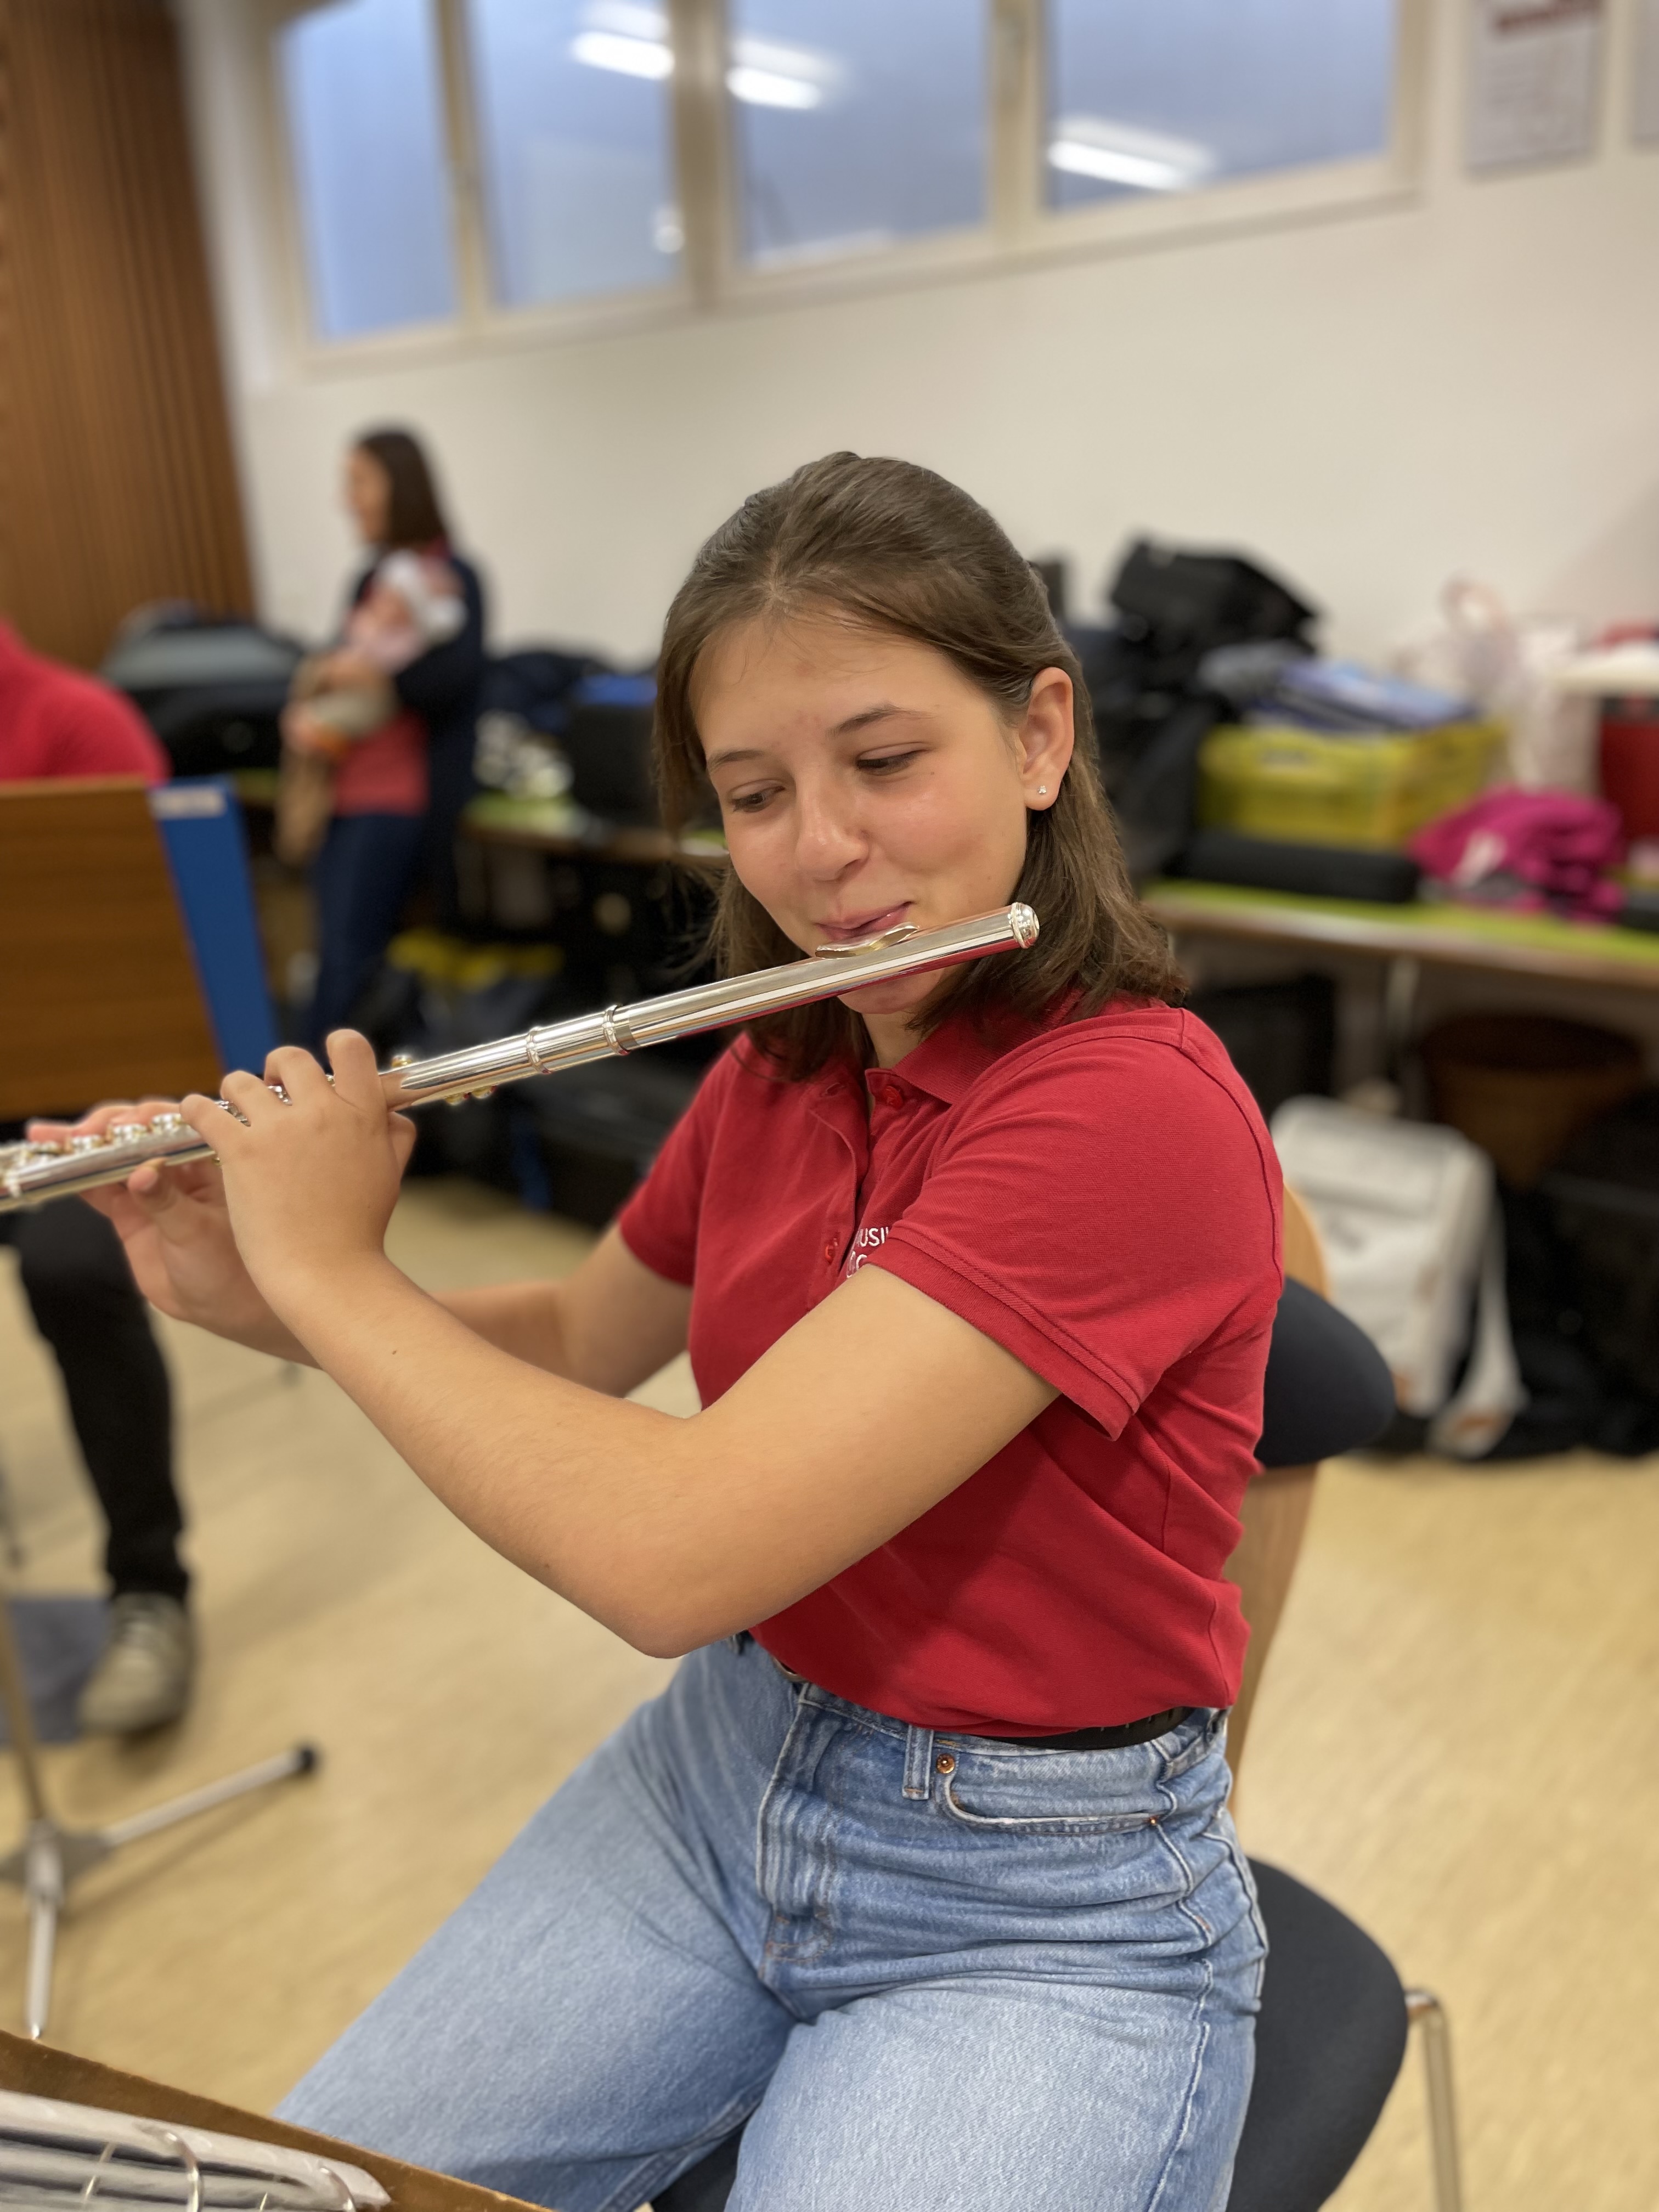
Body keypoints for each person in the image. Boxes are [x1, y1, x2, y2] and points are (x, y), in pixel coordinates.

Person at [66, 456, 1282, 2210]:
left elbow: (678, 1553)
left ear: (1038, 736)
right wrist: (251, 1278)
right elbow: (574, 1336)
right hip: (722, 1773)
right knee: (291, 2195)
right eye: (754, 794)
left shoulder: (1128, 1108)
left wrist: (340, 1275)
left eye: (885, 762)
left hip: (1038, 1903)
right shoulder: (785, 1061)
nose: (823, 852)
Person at [0, 619, 194, 1732]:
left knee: (73, 1269)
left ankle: (149, 1589)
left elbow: (154, 947)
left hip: (87, 1090)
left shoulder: (77, 723)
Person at [291, 428, 486, 1047]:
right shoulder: (369, 577)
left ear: (398, 485)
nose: (347, 500)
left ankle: (321, 1088)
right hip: (344, 790)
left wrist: (377, 673)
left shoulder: (454, 577)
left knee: (350, 962)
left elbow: (453, 682)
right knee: (335, 954)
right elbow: (338, 657)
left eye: (359, 482)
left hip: (398, 799)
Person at [277, 549, 467, 868]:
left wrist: (361, 669)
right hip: (344, 791)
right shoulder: (368, 619)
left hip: (385, 797)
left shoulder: (415, 649)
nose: (383, 604)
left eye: (395, 601)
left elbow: (387, 677)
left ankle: (318, 731)